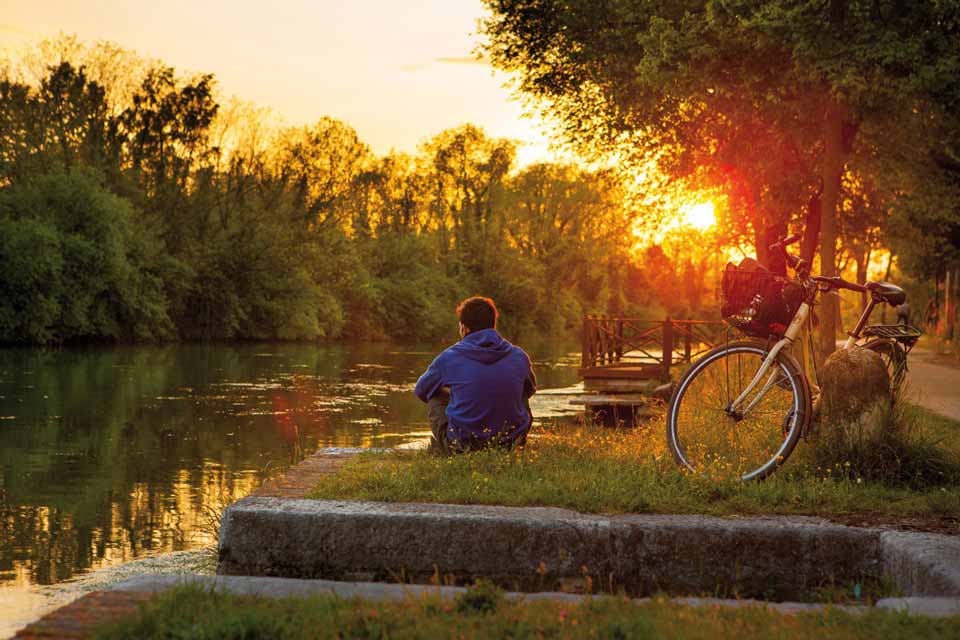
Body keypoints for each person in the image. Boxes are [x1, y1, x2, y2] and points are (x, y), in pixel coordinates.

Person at [414, 296, 536, 453]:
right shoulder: (519, 356)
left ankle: (448, 449)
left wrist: (452, 394)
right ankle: (513, 445)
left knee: (434, 396)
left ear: (464, 328)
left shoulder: (449, 357)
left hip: (465, 445)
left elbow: (421, 390)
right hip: (510, 443)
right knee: (522, 392)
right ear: (493, 325)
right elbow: (531, 390)